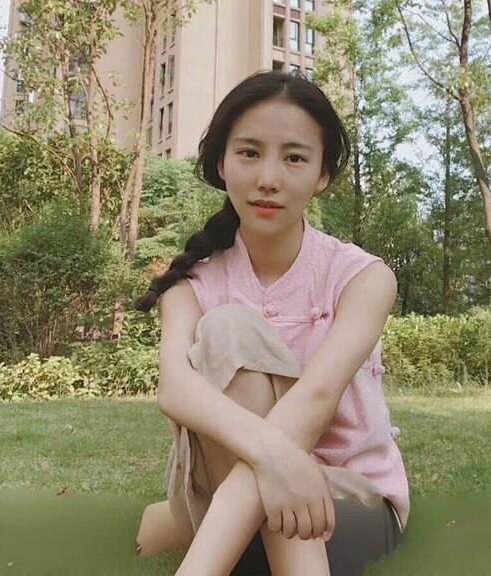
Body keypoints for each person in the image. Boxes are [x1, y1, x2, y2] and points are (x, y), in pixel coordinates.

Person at [133, 70, 409, 576]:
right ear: (222, 163)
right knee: (229, 328)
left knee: (231, 528)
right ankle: (195, 524)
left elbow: (318, 397)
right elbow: (174, 389)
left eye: (295, 158)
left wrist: (280, 467)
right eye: (249, 153)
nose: (268, 178)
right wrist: (278, 460)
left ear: (322, 174)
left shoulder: (363, 277)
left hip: (345, 502)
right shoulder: (189, 284)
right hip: (226, 492)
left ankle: (207, 537)